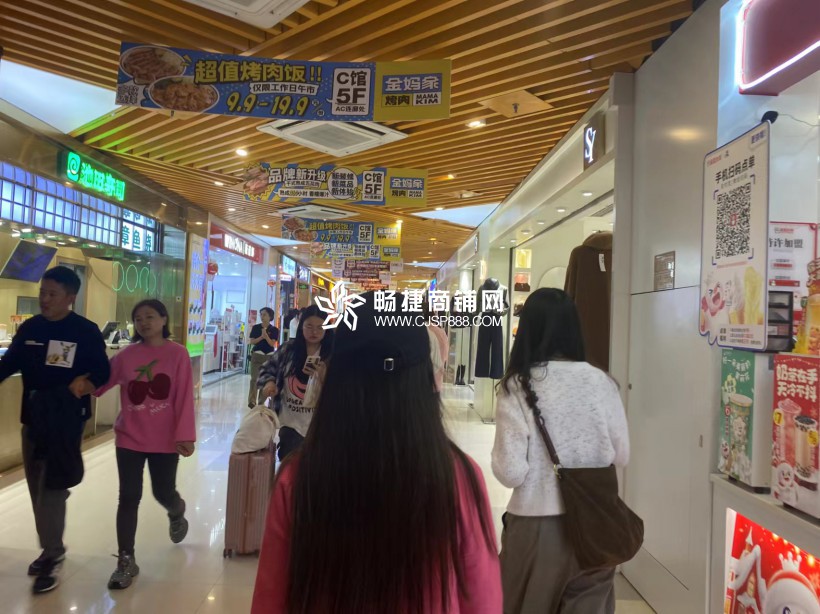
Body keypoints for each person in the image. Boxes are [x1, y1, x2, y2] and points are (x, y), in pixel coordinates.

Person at [252, 292, 502, 613]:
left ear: (335, 376)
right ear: (424, 378)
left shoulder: (298, 478)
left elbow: (271, 597)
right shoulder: (457, 477)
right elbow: (482, 599)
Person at [491, 288, 630, 614]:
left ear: (527, 330)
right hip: (598, 525)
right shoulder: (602, 382)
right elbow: (622, 455)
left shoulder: (517, 386)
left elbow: (511, 472)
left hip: (536, 529)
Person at [0, 265, 110, 594]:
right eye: (42, 293)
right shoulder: (31, 328)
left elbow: (102, 371)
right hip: (33, 417)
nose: (44, 300)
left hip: (66, 419)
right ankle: (53, 545)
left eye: (52, 294)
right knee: (37, 485)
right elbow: (8, 365)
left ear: (70, 297)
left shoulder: (84, 331)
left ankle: (51, 553)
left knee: (52, 486)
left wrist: (86, 383)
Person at [93, 299, 196, 590]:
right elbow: (101, 383)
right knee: (128, 496)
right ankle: (126, 560)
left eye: (150, 317)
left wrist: (185, 434)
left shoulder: (177, 354)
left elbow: (184, 396)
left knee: (163, 491)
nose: (144, 323)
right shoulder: (126, 356)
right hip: (129, 437)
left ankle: (176, 510)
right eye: (138, 318)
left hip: (165, 439)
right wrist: (81, 378)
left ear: (163, 319)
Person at [258, 305, 332, 461]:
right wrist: (269, 383)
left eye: (320, 328)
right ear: (301, 326)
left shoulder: (332, 354)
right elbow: (267, 368)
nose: (314, 332)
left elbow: (343, 387)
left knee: (317, 468)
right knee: (290, 466)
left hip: (322, 425)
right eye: (309, 326)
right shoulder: (288, 350)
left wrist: (324, 375)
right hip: (290, 425)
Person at [247, 307, 279, 408]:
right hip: (257, 355)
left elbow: (272, 344)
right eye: (261, 314)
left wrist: (266, 336)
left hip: (268, 357)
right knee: (254, 379)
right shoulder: (256, 328)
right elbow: (252, 341)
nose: (262, 317)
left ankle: (261, 402)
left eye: (264, 314)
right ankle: (252, 401)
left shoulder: (274, 330)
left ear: (270, 316)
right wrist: (261, 337)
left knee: (264, 380)